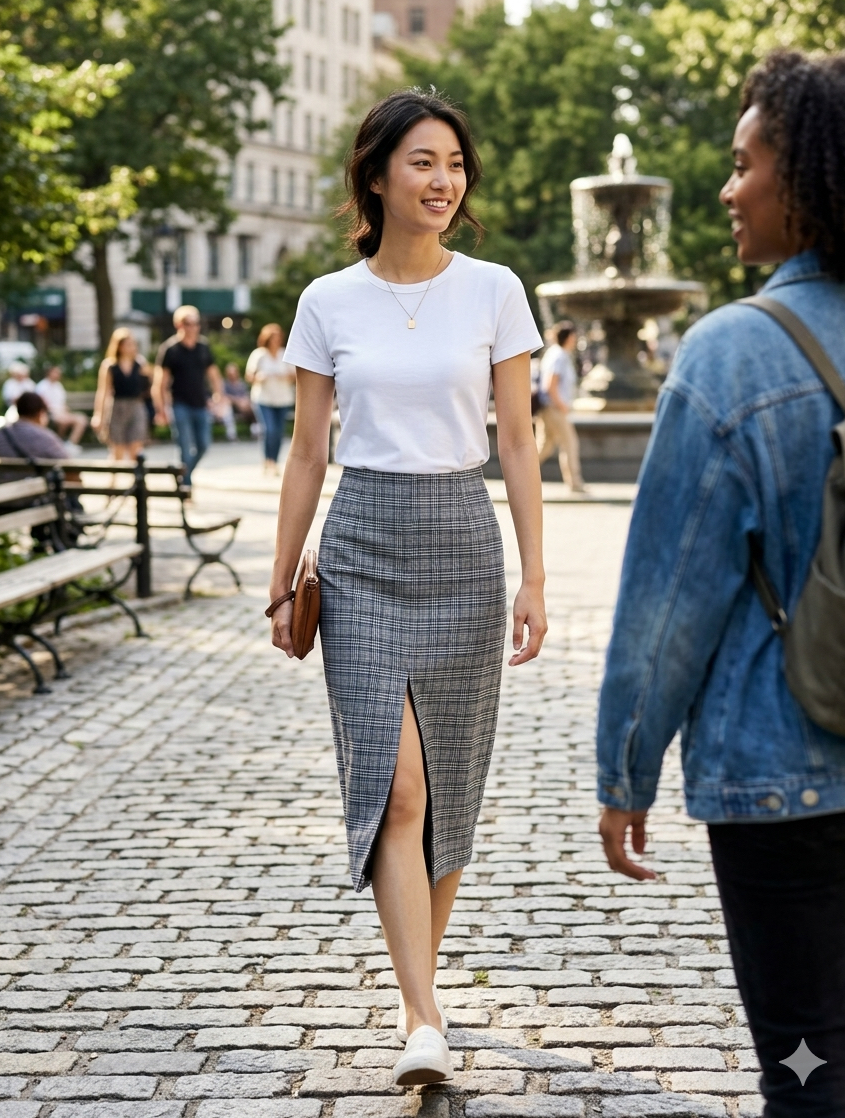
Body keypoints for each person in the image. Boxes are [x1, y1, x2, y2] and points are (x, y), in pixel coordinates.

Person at [596, 49, 845, 1118]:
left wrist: (624, 769)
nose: (724, 187)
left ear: (801, 179)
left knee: (808, 1073)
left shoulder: (729, 356)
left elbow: (668, 601)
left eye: (742, 162)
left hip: (781, 782)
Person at [268, 90, 547, 1088]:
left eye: (454, 165)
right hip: (362, 550)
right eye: (422, 162)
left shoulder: (494, 290)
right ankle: (421, 1012)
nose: (442, 181)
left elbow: (516, 440)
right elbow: (306, 452)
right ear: (377, 174)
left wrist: (534, 575)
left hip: (463, 550)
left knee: (450, 788)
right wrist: (279, 572)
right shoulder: (325, 301)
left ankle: (415, 981)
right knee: (396, 785)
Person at [151, 305, 223, 489]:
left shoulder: (203, 347)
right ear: (178, 325)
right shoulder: (170, 349)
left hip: (200, 403)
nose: (193, 327)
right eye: (188, 323)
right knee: (184, 446)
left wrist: (218, 397)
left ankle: (183, 474)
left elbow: (214, 375)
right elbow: (160, 382)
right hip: (179, 404)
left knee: (204, 445)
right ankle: (186, 486)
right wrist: (161, 409)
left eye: (196, 323)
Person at [536, 324, 585, 492]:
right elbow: (551, 385)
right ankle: (575, 483)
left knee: (545, 446)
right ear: (568, 337)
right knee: (570, 443)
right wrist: (562, 405)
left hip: (549, 407)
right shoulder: (559, 356)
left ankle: (520, 474)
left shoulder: (555, 353)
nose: (576, 340)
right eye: (573, 336)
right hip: (554, 408)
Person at [91, 327, 151, 461]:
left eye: (133, 344)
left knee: (136, 446)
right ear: (119, 346)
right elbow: (103, 391)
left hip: (136, 406)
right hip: (117, 407)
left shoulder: (140, 363)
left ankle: (137, 479)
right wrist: (98, 415)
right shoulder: (110, 366)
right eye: (128, 344)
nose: (132, 347)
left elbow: (149, 385)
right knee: (117, 449)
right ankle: (114, 479)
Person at [245, 324, 296, 473]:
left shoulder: (284, 354)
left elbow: (295, 375)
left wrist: (284, 376)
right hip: (263, 398)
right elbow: (250, 375)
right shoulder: (259, 354)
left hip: (283, 399)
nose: (276, 340)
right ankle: (267, 459)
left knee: (279, 431)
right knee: (269, 429)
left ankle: (274, 460)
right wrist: (260, 377)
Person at [36, 365, 88, 448]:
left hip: (62, 412)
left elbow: (63, 402)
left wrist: (65, 411)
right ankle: (57, 444)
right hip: (50, 413)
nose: (58, 374)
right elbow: (41, 404)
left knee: (81, 419)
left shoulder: (58, 385)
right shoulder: (41, 386)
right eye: (56, 372)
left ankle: (71, 444)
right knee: (63, 421)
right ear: (49, 373)